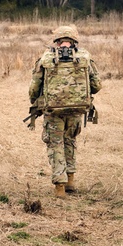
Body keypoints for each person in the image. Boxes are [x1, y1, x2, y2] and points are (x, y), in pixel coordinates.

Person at [28, 25, 102, 198]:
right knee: (70, 141)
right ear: (74, 40)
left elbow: (34, 87)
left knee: (55, 145)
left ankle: (59, 187)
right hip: (76, 110)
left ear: (57, 40)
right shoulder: (84, 57)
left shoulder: (46, 58)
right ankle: (70, 180)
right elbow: (97, 85)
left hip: (53, 111)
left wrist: (35, 102)